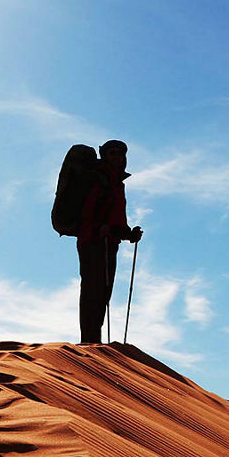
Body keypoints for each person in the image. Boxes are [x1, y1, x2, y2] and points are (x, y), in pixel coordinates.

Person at [76, 140, 142, 344]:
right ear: (104, 156)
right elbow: (86, 213)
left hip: (109, 243)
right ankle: (89, 342)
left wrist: (129, 234)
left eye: (120, 154)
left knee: (103, 293)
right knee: (93, 293)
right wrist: (98, 229)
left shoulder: (116, 184)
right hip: (92, 242)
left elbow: (115, 219)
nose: (117, 158)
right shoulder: (97, 180)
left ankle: (94, 341)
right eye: (112, 154)